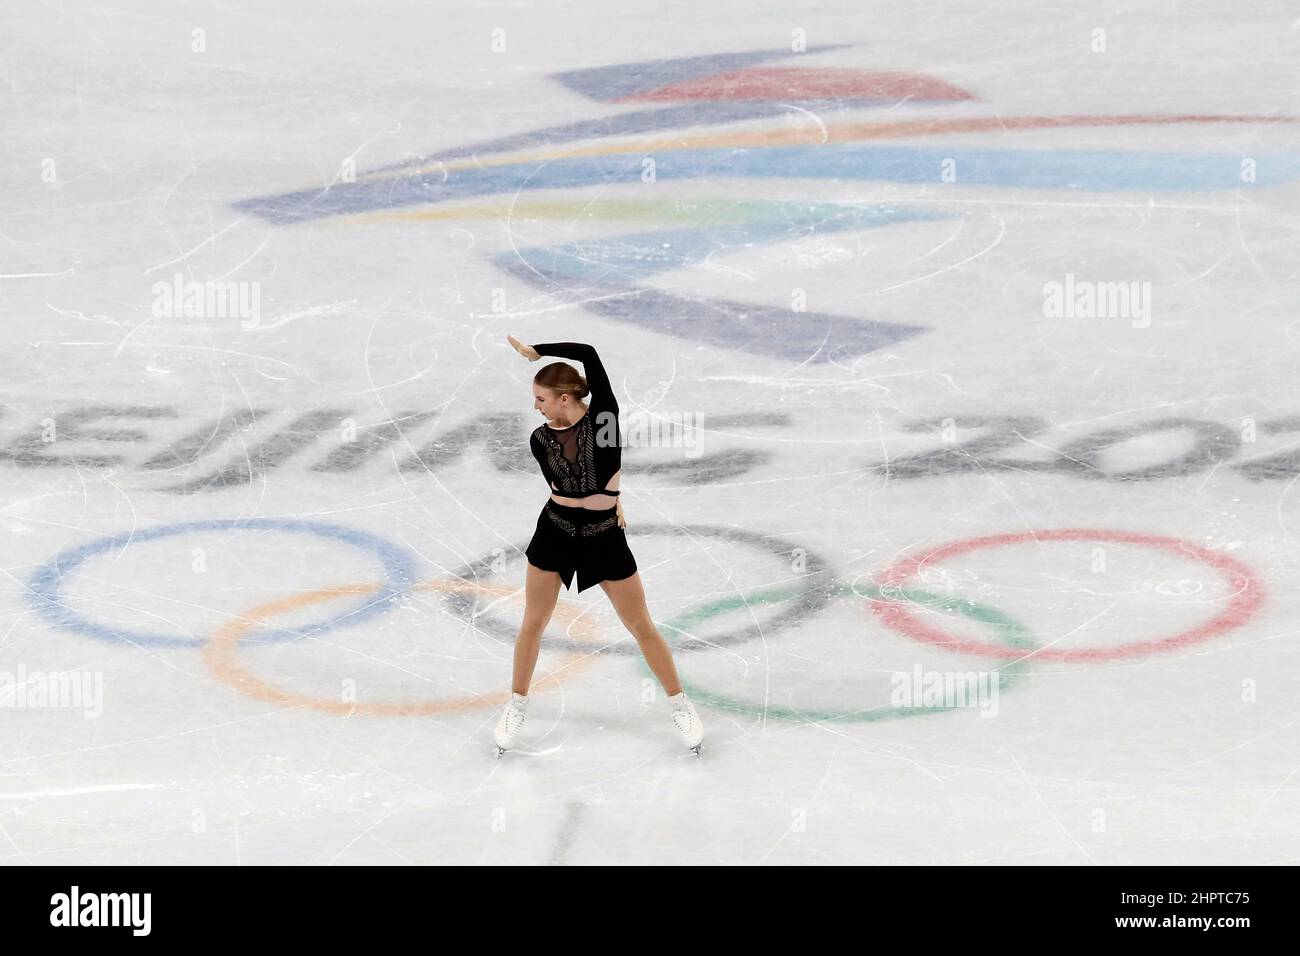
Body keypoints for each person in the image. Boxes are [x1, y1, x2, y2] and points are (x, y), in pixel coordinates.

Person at [493, 334, 704, 756]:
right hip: (554, 530)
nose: (536, 407)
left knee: (640, 625)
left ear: (566, 398)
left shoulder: (604, 420)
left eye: (541, 399)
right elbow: (572, 484)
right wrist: (613, 494)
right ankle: (517, 704)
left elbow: (588, 353)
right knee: (533, 622)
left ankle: (680, 705)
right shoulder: (539, 439)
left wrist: (538, 349)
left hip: (603, 535)